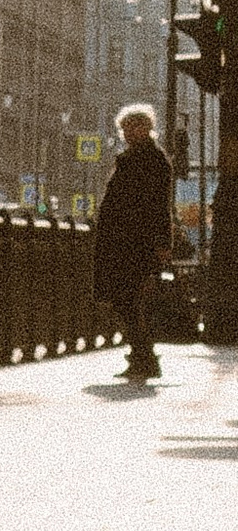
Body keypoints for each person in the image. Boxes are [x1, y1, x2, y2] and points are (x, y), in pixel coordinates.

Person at [93, 102, 175, 382]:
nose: (128, 132)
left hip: (136, 242)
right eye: (124, 127)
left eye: (133, 126)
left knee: (128, 299)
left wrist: (162, 242)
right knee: (126, 300)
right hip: (123, 241)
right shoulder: (134, 157)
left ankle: (144, 357)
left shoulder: (151, 159)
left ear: (147, 128)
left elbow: (159, 205)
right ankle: (141, 356)